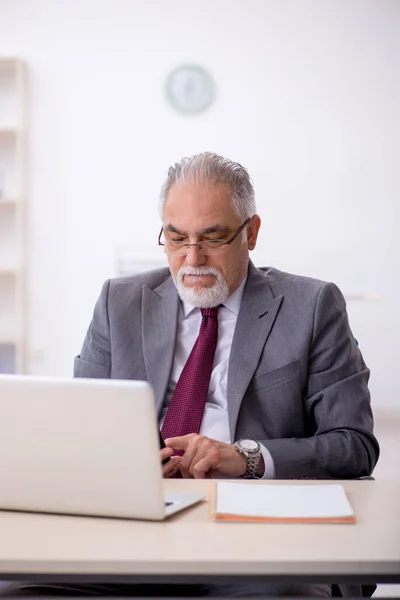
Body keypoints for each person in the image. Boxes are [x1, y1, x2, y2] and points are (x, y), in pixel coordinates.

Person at [6, 152, 379, 597]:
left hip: (259, 535)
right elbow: (77, 434)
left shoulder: (311, 306)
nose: (192, 258)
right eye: (176, 238)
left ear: (251, 233)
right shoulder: (119, 303)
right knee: (19, 589)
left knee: (284, 593)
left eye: (212, 238)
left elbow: (353, 445)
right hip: (138, 527)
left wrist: (247, 458)